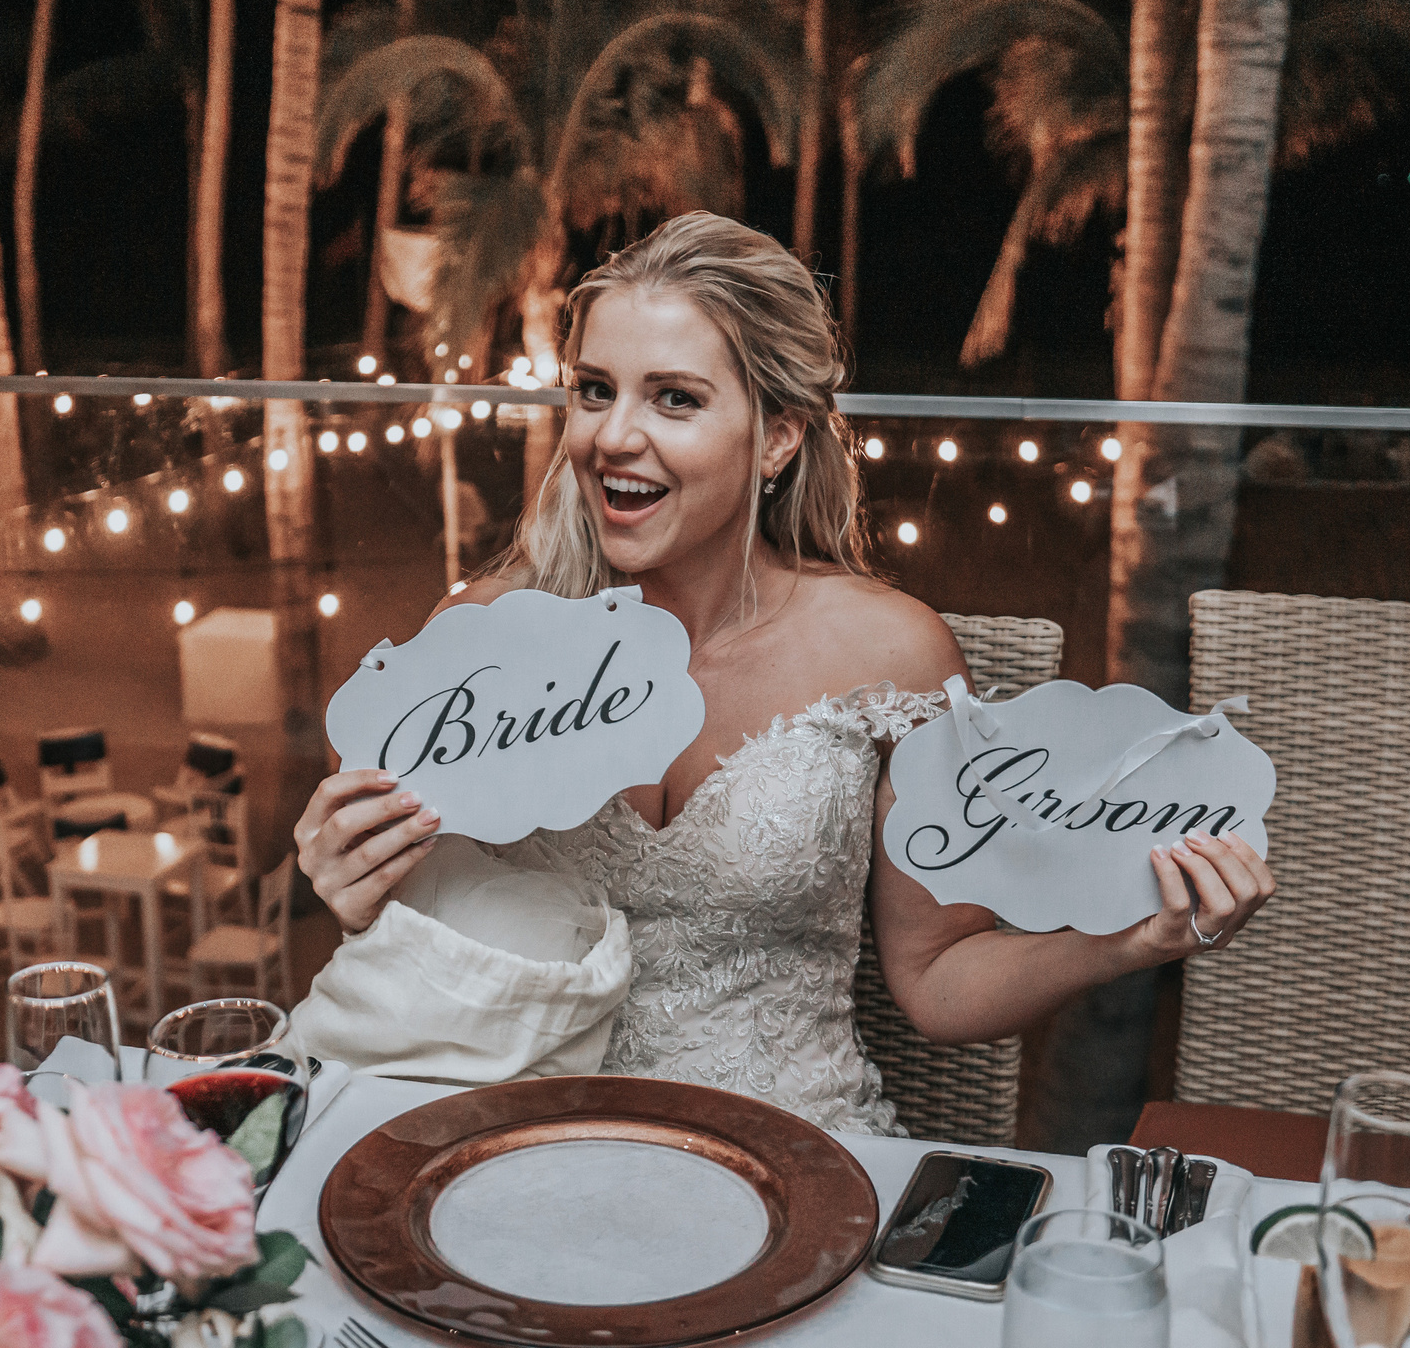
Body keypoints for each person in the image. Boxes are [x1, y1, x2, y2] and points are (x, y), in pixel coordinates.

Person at [294, 212, 1275, 1133]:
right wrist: (360, 891)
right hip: (525, 1138)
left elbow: (936, 980)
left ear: (778, 435)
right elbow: (431, 944)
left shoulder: (891, 652)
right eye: (594, 389)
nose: (612, 436)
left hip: (797, 1154)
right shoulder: (480, 644)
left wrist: (1131, 940)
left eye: (674, 398)